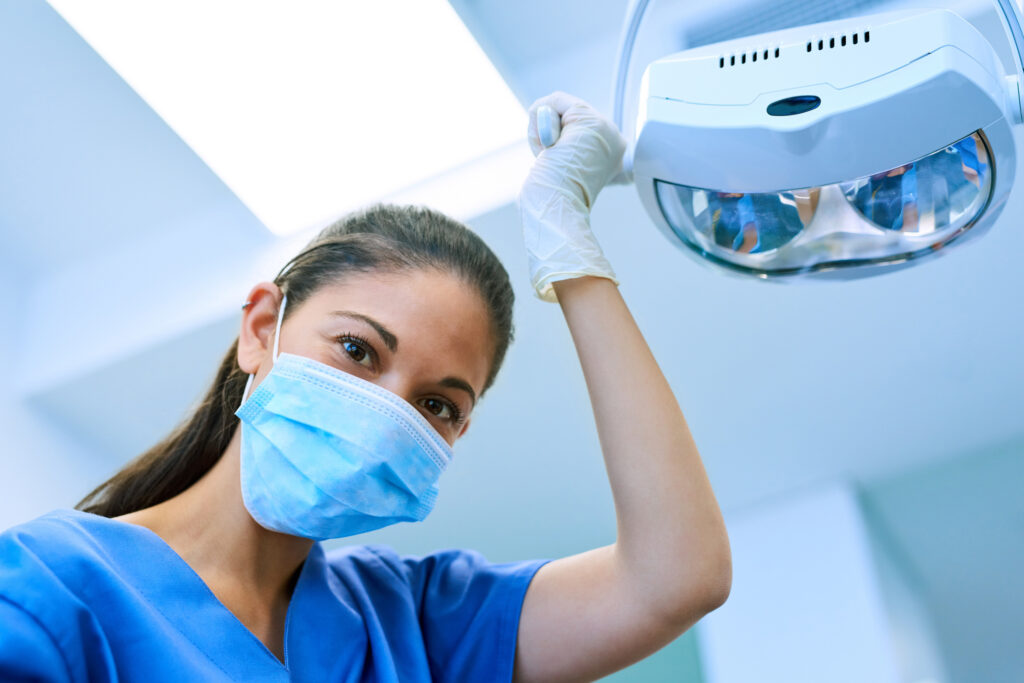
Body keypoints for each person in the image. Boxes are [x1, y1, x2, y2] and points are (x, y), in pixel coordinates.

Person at [0, 92, 731, 682]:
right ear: (262, 329)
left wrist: (568, 244)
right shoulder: (53, 588)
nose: (387, 415)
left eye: (437, 405)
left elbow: (678, 576)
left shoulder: (414, 623)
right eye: (357, 349)